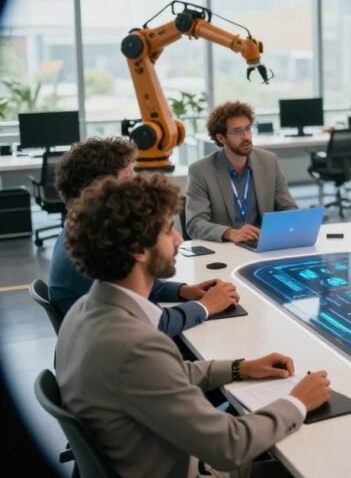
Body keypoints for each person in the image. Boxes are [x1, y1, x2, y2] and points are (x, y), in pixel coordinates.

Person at [56, 173, 331, 478]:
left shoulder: (83, 310)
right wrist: (297, 402)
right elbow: (231, 445)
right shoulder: (135, 346)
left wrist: (241, 367)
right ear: (138, 249)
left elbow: (166, 375)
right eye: (167, 230)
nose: (179, 239)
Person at [48, 137, 238, 333]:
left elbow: (130, 287)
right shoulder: (91, 252)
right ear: (103, 189)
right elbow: (152, 324)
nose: (139, 185)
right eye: (129, 178)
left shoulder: (85, 232)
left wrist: (183, 291)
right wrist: (206, 306)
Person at [186, 101, 297, 243]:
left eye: (248, 129)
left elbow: (288, 208)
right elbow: (195, 224)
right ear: (221, 138)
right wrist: (230, 233)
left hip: (263, 244)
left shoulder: (269, 161)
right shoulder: (200, 171)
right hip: (226, 248)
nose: (246, 137)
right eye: (237, 131)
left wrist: (292, 225)